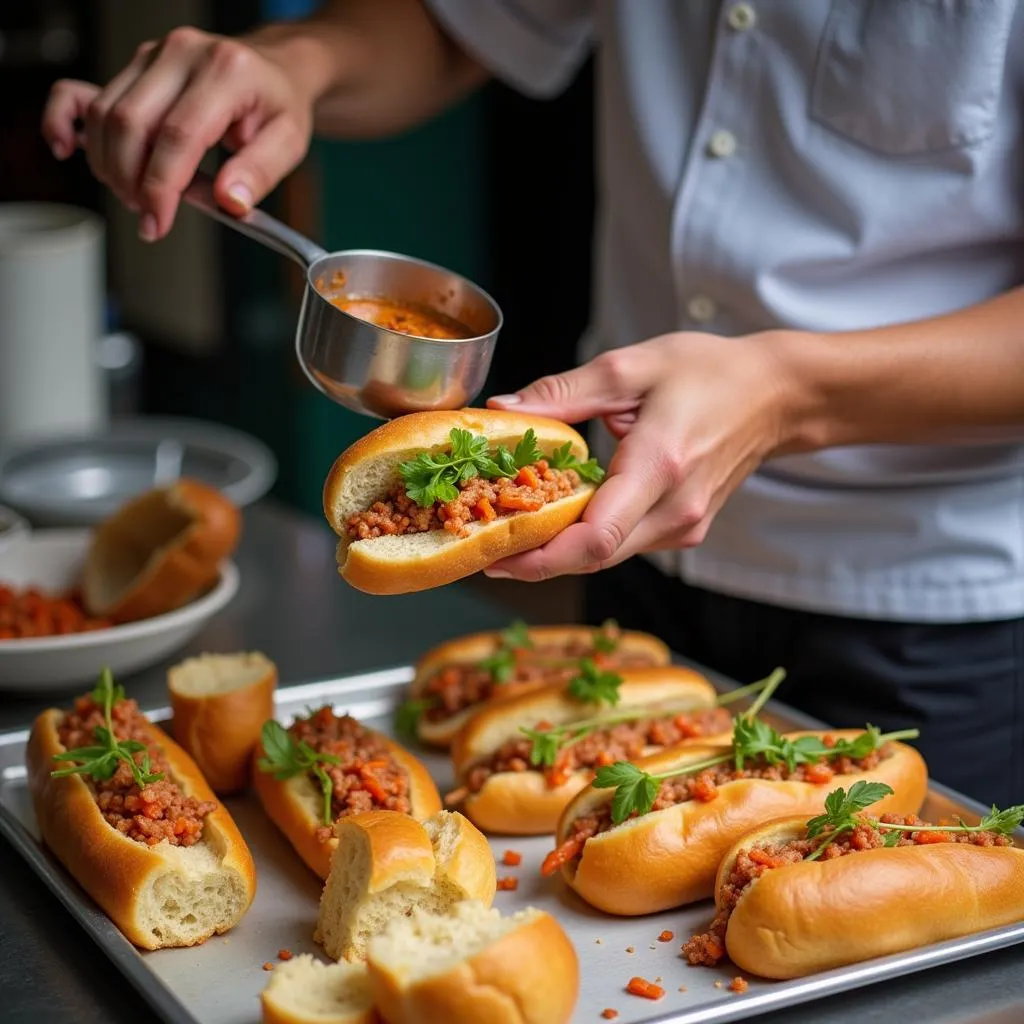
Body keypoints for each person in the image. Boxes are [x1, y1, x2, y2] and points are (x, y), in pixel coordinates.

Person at [43, 1, 1024, 807]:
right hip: (628, 555)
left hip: (929, 595)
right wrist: (298, 62)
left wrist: (787, 395)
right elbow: (461, 22)